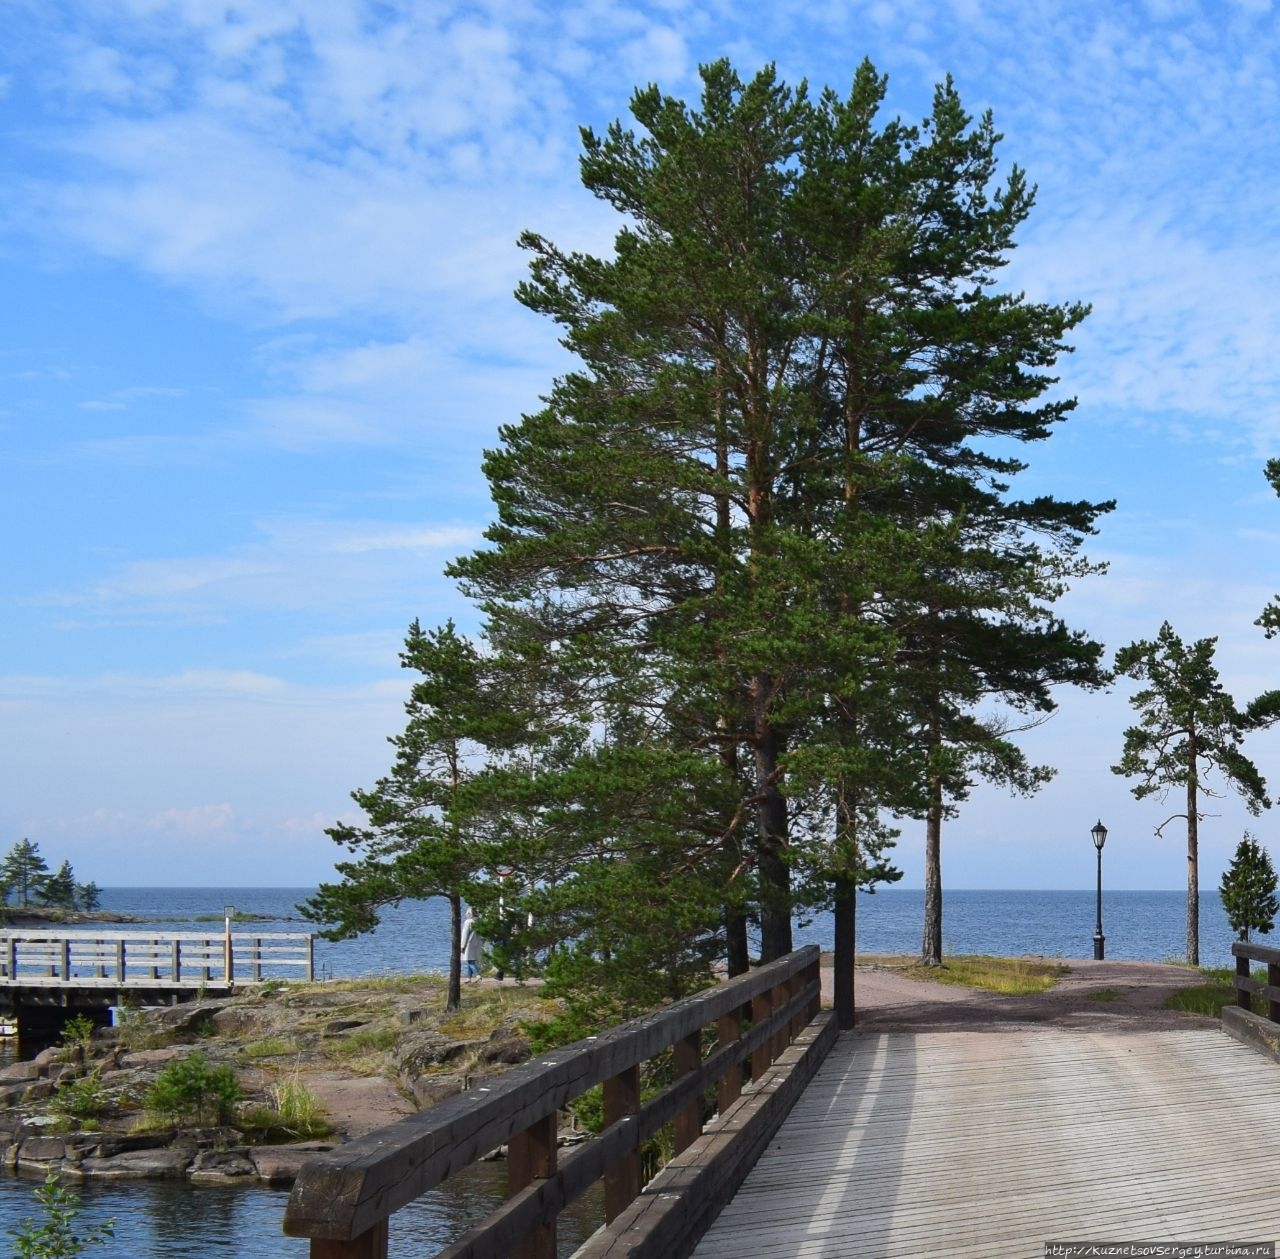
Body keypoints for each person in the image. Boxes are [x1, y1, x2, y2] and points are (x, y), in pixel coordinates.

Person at [460, 906, 482, 981]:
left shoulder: (468, 922)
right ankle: (468, 978)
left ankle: (477, 975)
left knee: (469, 961)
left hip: (469, 943)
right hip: (478, 943)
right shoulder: (479, 921)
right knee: (472, 959)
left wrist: (462, 946)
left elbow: (465, 935)